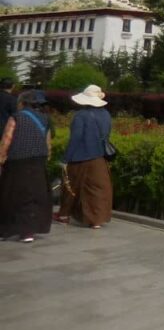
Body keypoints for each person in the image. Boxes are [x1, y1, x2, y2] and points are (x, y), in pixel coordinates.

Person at [55, 84, 113, 229]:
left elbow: (75, 138)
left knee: (70, 187)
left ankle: (64, 215)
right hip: (99, 157)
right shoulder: (106, 114)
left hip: (79, 158)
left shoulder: (81, 115)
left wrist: (65, 159)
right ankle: (96, 220)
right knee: (97, 189)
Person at [0, 90, 53, 242]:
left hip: (17, 162)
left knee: (12, 195)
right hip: (38, 162)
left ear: (22, 103)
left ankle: (7, 230)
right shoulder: (45, 119)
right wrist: (45, 159)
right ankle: (28, 232)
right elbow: (48, 143)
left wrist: (1, 158)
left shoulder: (16, 117)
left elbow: (6, 140)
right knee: (34, 196)